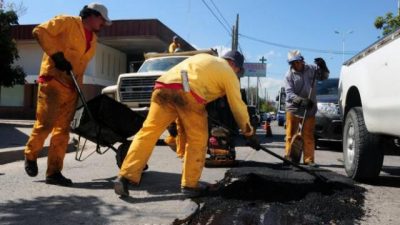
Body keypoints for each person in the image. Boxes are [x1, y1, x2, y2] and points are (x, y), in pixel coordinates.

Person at [114, 50, 260, 197]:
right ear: (234, 64)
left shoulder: (204, 58)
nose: (237, 73)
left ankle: (125, 176)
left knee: (148, 133)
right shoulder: (228, 72)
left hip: (162, 87)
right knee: (197, 139)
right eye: (238, 70)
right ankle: (190, 185)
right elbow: (238, 106)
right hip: (188, 92)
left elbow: (185, 82)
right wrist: (249, 133)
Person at [23, 3, 112, 186]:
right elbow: (40, 31)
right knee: (45, 125)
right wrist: (56, 56)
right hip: (53, 81)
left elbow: (81, 65)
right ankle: (30, 154)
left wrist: (78, 90)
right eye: (102, 20)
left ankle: (54, 173)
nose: (103, 24)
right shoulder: (67, 22)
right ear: (92, 15)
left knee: (62, 132)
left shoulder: (93, 40)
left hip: (72, 88)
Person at [283, 50, 329, 167]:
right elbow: (289, 93)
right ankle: (289, 157)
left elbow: (324, 77)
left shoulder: (312, 69)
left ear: (302, 60)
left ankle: (309, 159)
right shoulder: (289, 75)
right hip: (293, 108)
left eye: (297, 62)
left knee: (308, 134)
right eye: (292, 63)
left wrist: (323, 67)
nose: (295, 65)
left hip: (309, 108)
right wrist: (301, 101)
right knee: (291, 134)